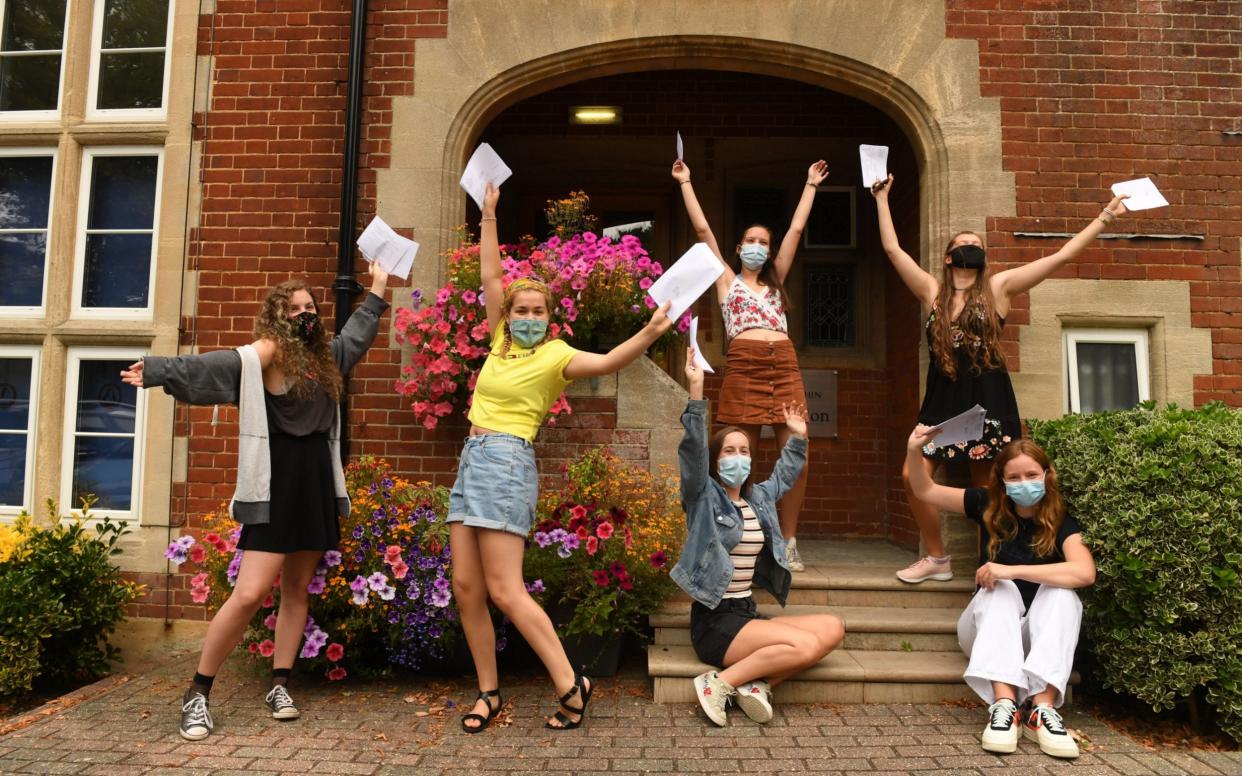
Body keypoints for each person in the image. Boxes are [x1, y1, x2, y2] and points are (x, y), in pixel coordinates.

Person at [121, 264, 391, 741]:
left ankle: (280, 685)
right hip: (275, 485)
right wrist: (160, 370)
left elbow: (358, 335)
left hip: (314, 486)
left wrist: (380, 284)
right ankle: (198, 693)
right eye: (295, 309)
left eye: (310, 308)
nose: (305, 314)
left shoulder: (326, 358)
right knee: (248, 594)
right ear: (277, 317)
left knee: (296, 589)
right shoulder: (265, 355)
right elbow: (218, 365)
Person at [451, 182, 672, 733]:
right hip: (471, 459)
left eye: (535, 310)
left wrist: (648, 331)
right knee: (467, 588)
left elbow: (610, 361)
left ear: (549, 316)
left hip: (505, 462)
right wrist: (489, 215)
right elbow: (490, 276)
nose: (525, 315)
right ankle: (489, 693)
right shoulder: (500, 340)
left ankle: (571, 684)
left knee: (505, 589)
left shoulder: (556, 356)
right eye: (519, 309)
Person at [871, 175, 1127, 584]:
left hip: (988, 402)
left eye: (978, 246)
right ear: (950, 256)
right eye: (964, 245)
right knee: (910, 474)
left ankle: (991, 571)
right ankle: (937, 557)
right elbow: (892, 249)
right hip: (942, 402)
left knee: (986, 492)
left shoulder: (998, 288)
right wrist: (882, 198)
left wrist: (1105, 217)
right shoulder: (932, 292)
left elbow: (1059, 257)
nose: (972, 249)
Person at [674, 345, 844, 727]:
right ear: (716, 461)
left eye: (745, 450)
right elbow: (692, 455)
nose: (739, 457)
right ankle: (718, 683)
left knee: (832, 628)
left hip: (746, 613)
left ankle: (757, 684)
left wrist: (798, 437)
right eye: (729, 451)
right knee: (804, 645)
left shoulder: (758, 497)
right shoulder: (703, 497)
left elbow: (785, 474)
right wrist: (696, 393)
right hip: (716, 622)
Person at [672, 158, 829, 572]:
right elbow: (704, 231)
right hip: (743, 364)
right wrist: (687, 181)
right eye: (750, 241)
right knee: (740, 453)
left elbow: (795, 230)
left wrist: (810, 185)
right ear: (739, 248)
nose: (758, 246)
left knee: (798, 449)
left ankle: (789, 539)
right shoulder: (726, 278)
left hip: (784, 363)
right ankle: (741, 535)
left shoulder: (777, 278)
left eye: (764, 241)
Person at [905, 424, 1095, 759]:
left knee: (1062, 593)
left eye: (1032, 474)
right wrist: (913, 450)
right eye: (1016, 477)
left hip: (1036, 635)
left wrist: (1013, 569)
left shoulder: (1062, 520)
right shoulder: (985, 503)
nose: (1024, 483)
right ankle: (1004, 706)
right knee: (1000, 589)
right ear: (1003, 482)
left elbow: (1084, 571)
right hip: (985, 628)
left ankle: (1042, 709)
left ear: (1048, 475)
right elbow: (924, 490)